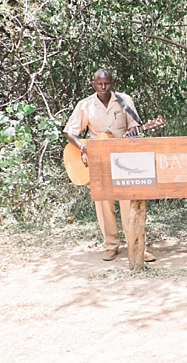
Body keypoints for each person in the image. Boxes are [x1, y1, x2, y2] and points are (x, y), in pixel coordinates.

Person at [64, 69, 156, 262]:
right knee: (104, 203)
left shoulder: (124, 100)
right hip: (98, 160)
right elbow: (70, 132)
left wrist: (138, 130)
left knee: (128, 202)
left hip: (123, 158)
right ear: (94, 84)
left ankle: (136, 245)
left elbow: (134, 126)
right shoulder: (85, 105)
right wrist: (83, 148)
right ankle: (111, 245)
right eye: (100, 84)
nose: (103, 87)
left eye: (107, 83)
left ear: (112, 83)